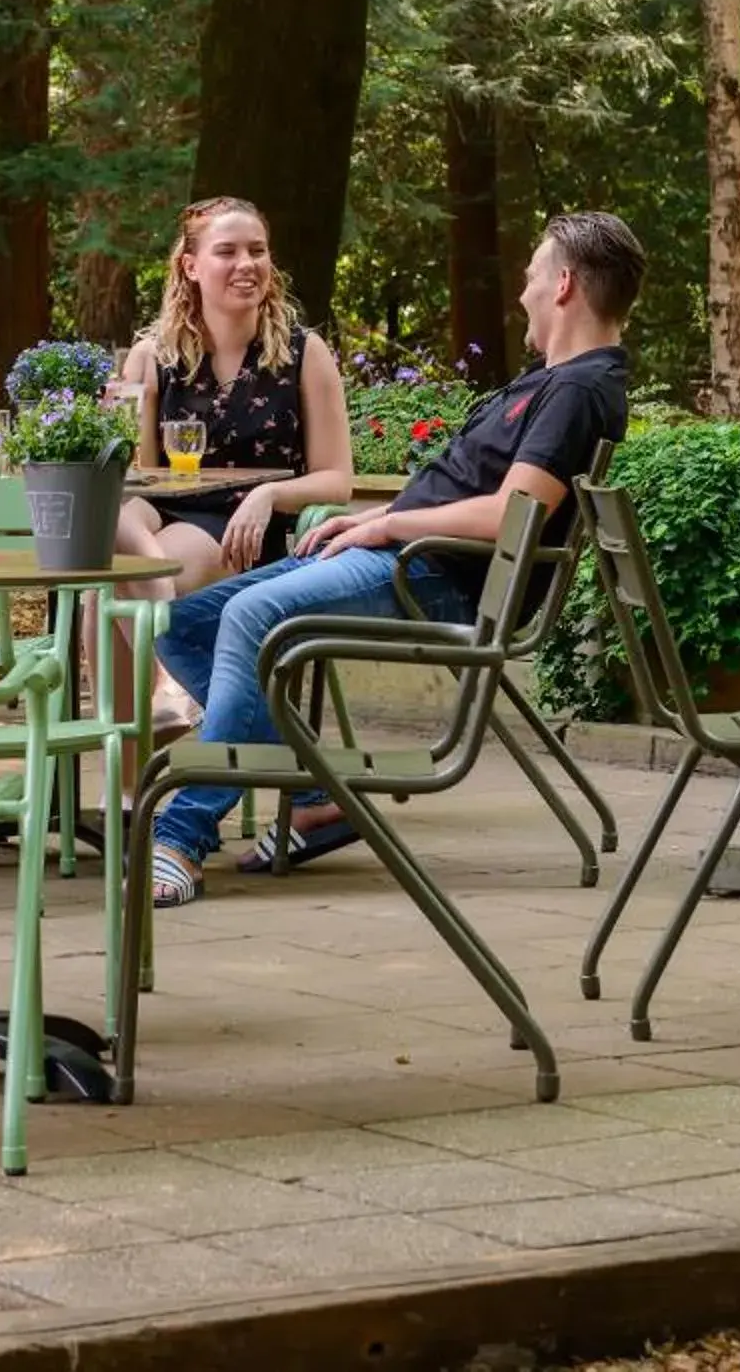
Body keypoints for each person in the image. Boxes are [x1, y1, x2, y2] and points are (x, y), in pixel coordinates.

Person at [145, 212, 644, 908]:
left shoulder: (579, 390)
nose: (522, 293)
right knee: (178, 624)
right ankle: (321, 795)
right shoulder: (551, 381)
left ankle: (182, 833)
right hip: (413, 553)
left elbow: (509, 514)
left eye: (531, 278)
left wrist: (391, 528)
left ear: (563, 287)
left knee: (254, 614)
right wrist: (376, 517)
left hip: (439, 576)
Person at [108, 198, 352, 732]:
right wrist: (130, 408)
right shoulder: (152, 356)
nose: (247, 264)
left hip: (245, 525)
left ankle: (130, 773)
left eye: (257, 251)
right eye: (228, 251)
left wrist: (269, 496)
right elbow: (142, 478)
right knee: (115, 529)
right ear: (190, 267)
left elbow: (338, 476)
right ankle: (165, 688)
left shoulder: (302, 354)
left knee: (108, 586)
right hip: (162, 511)